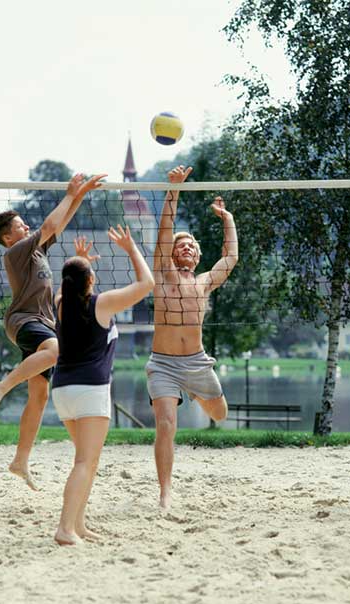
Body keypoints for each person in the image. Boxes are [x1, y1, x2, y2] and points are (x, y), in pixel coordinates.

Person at [0, 173, 106, 490]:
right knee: (55, 350)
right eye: (21, 226)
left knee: (38, 397)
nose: (26, 227)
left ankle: (20, 461)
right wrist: (70, 192)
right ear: (9, 238)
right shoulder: (17, 252)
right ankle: (1, 387)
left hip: (42, 322)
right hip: (24, 320)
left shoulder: (36, 252)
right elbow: (51, 226)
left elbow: (58, 226)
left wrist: (80, 195)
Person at [52, 227, 154, 545]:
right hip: (90, 392)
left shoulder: (60, 304)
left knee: (88, 460)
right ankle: (64, 528)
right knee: (85, 461)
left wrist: (79, 260)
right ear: (91, 282)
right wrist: (131, 247)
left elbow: (66, 286)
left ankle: (78, 525)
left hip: (62, 391)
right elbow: (147, 284)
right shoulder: (101, 304)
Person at [148, 165, 239, 509]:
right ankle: (165, 492)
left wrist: (226, 218)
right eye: (180, 245)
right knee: (166, 424)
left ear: (198, 256)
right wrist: (175, 189)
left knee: (220, 415)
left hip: (197, 363)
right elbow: (165, 229)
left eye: (191, 246)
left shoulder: (203, 283)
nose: (185, 247)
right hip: (163, 365)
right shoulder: (163, 274)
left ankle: (200, 395)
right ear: (171, 253)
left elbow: (230, 257)